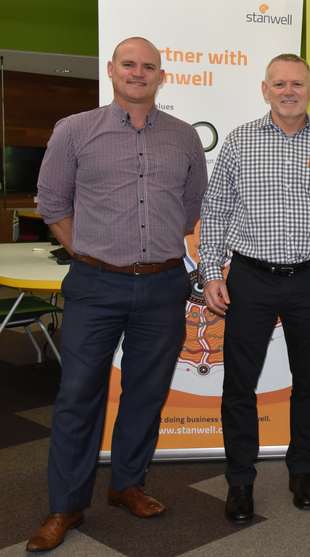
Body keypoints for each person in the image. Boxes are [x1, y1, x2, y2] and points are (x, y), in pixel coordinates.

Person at [30, 37, 207, 552]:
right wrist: (87, 249)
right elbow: (52, 201)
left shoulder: (183, 137)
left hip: (164, 283)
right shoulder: (75, 131)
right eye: (128, 64)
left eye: (148, 67)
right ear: (111, 70)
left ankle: (127, 483)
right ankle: (65, 505)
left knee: (146, 393)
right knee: (77, 396)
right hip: (95, 283)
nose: (138, 73)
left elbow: (192, 204)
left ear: (161, 76)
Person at [198, 53, 310, 524]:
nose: (288, 91)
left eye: (297, 84)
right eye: (279, 84)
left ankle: (301, 471)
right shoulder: (238, 142)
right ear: (265, 89)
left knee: (308, 381)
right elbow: (215, 215)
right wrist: (211, 272)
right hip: (249, 278)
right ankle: (240, 482)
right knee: (239, 385)